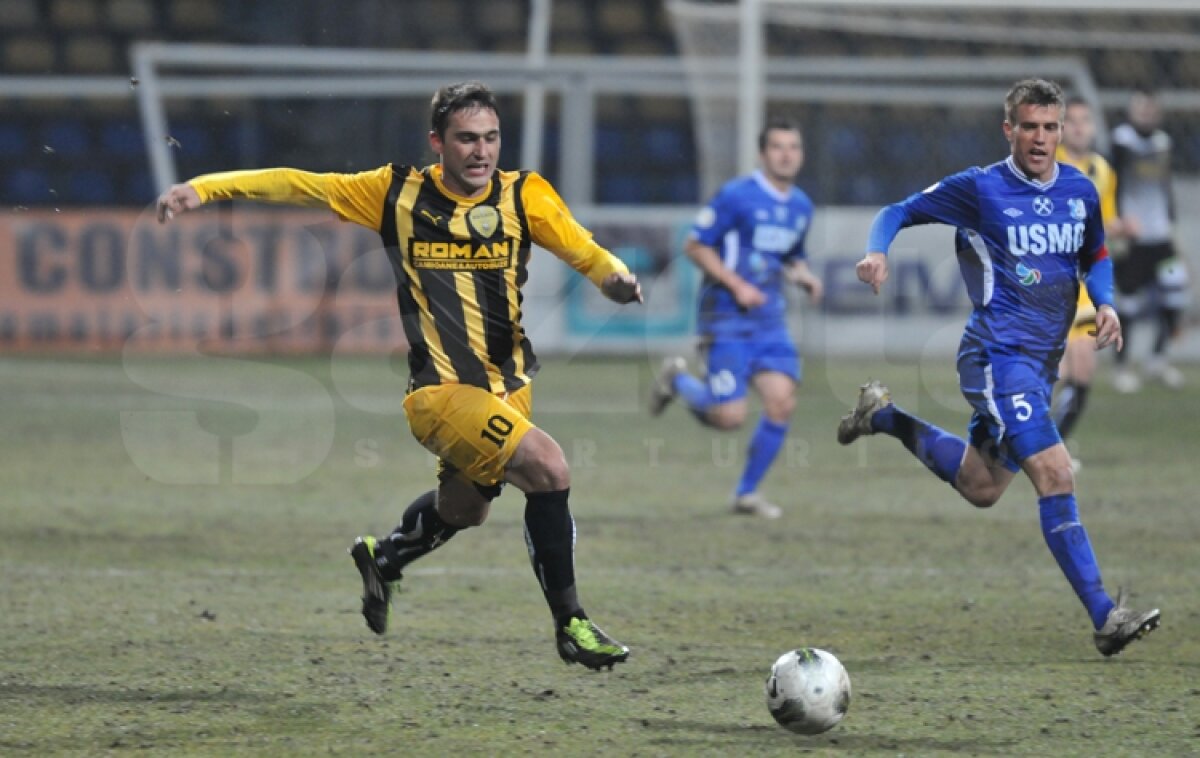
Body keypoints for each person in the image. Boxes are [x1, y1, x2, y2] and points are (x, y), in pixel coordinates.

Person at [156, 81, 641, 671]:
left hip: (508, 388)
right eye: (466, 139)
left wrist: (613, 277)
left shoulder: (524, 195)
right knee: (549, 468)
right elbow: (299, 183)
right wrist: (205, 189)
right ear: (438, 142)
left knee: (465, 509)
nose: (481, 151)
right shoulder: (395, 193)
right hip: (439, 393)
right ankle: (572, 625)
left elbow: (582, 248)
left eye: (490, 138)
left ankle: (385, 558)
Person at [838, 78, 1160, 657]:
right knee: (1056, 473)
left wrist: (1106, 302)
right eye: (1029, 127)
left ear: (1061, 131)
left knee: (981, 486)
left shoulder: (1080, 190)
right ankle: (1106, 616)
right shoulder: (980, 188)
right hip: (994, 357)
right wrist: (876, 251)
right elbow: (898, 210)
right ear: (1008, 129)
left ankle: (882, 416)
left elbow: (1095, 255)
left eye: (1050, 127)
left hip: (1039, 365)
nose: (1040, 138)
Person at [647, 118, 823, 519]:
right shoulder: (737, 196)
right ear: (762, 154)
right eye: (777, 147)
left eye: (793, 147)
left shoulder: (801, 206)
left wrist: (804, 276)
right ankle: (678, 381)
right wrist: (736, 284)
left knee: (782, 403)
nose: (786, 155)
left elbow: (791, 255)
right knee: (729, 418)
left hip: (769, 321)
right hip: (725, 316)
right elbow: (695, 245)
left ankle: (747, 494)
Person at [1051, 97, 1132, 468]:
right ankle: (1025, 440)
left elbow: (1106, 221)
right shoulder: (1046, 165)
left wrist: (1121, 227)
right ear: (1061, 128)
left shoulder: (1103, 170)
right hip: (1050, 280)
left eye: (1085, 120)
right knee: (1058, 371)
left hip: (1085, 283)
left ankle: (1052, 449)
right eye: (1072, 120)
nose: (1079, 127)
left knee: (1082, 368)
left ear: (1094, 127)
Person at [1110, 88, 1189, 392]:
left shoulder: (1163, 142)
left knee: (1176, 293)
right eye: (1141, 108)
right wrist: (1117, 225)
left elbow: (1165, 187)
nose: (1146, 114)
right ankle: (1121, 367)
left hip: (1161, 239)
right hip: (1134, 239)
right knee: (1128, 303)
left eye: (1150, 109)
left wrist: (1172, 226)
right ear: (1131, 110)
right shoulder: (1121, 141)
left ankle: (1157, 359)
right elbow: (1113, 185)